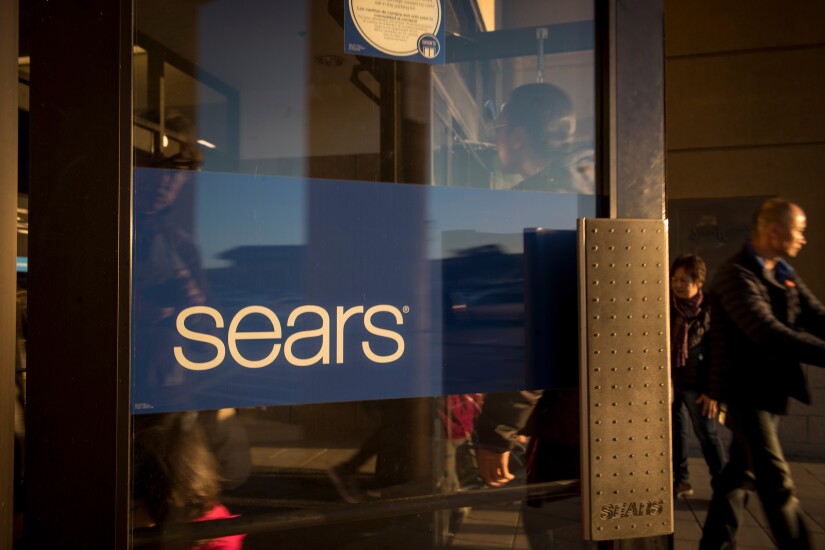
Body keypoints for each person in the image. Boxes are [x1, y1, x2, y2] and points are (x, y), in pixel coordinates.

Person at [700, 198, 825, 549]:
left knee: (739, 475)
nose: (804, 238)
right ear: (774, 230)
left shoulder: (782, 271)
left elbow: (815, 316)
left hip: (770, 392)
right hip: (743, 393)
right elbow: (767, 332)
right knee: (775, 481)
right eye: (799, 230)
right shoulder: (735, 275)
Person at [669, 253, 726, 498]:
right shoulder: (666, 307)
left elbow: (718, 354)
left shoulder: (711, 309)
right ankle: (681, 481)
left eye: (685, 280)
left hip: (699, 386)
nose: (678, 285)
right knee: (676, 436)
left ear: (698, 282)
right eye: (675, 279)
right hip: (671, 383)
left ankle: (724, 486)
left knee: (708, 436)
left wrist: (713, 392)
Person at [496, 82, 594, 194]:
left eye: (498, 128)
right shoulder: (579, 180)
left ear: (517, 138)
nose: (493, 138)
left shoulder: (540, 199)